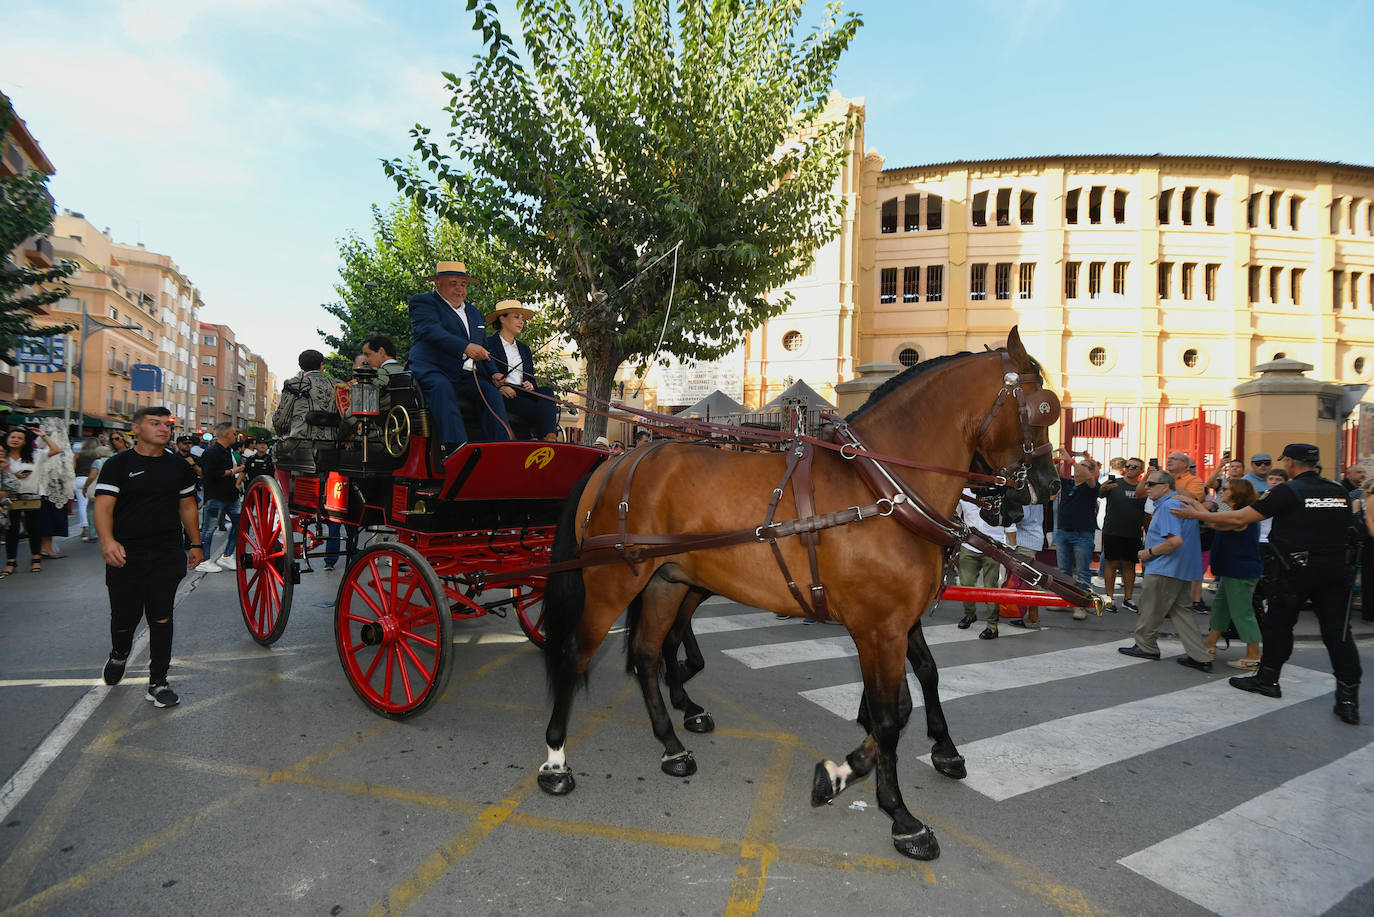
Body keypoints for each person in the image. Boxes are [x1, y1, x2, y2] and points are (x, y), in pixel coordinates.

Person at [1172, 443, 1361, 724]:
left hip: (1295, 570)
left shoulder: (1288, 490)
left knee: (1279, 626)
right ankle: (1348, 701)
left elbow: (1239, 517)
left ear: (1292, 464)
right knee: (1339, 634)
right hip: (1335, 570)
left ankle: (1268, 679)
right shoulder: (1338, 490)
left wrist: (1195, 514)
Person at [93, 406, 202, 708]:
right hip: (126, 552)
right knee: (125, 616)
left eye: (166, 424)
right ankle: (119, 653)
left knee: (161, 616)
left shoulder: (179, 466)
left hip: (166, 552)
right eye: (154, 424)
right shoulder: (117, 464)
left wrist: (196, 543)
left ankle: (158, 682)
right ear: (136, 429)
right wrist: (108, 541)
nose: (163, 429)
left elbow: (188, 506)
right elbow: (103, 507)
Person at [407, 261, 511, 458]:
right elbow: (430, 331)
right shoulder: (423, 302)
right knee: (442, 387)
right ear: (437, 283)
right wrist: (465, 347)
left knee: (491, 394)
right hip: (432, 368)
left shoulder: (473, 312)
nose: (459, 289)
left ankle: (501, 452)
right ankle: (457, 453)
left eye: (463, 284)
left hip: (464, 377)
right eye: (453, 283)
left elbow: (484, 349)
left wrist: (494, 372)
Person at [1119, 471, 1211, 670]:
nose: (1147, 487)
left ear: (1166, 487)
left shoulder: (1169, 505)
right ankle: (1200, 657)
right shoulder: (1179, 503)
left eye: (1152, 484)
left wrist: (1149, 552)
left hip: (1165, 568)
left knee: (1150, 608)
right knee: (1182, 611)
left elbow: (1174, 541)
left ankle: (1146, 646)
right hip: (1182, 568)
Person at [1198, 479, 1264, 669]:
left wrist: (1193, 508)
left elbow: (1215, 523)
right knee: (1220, 608)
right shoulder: (1232, 512)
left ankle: (1254, 655)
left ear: (1237, 493)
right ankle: (1210, 644)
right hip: (1230, 571)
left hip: (1241, 572)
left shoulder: (1241, 516)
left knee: (1242, 613)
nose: (1221, 491)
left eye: (1225, 489)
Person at [486, 300, 560, 441]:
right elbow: (483, 373)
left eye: (522, 318)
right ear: (502, 318)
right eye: (516, 317)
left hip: (524, 392)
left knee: (547, 392)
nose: (521, 322)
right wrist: (500, 389)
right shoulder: (489, 344)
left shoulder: (524, 349)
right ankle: (544, 437)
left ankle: (550, 437)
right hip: (506, 394)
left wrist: (531, 384)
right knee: (535, 408)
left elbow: (530, 377)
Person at [955, 489, 1016, 639]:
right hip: (969, 545)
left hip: (993, 547)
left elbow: (1010, 523)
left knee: (991, 587)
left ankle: (992, 626)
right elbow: (953, 512)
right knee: (966, 584)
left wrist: (1012, 550)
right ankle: (970, 614)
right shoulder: (964, 491)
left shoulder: (1000, 492)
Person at [2, 427, 54, 575]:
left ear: (25, 442)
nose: (15, 440)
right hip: (9, 497)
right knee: (11, 530)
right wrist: (11, 474)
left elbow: (55, 450)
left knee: (34, 529)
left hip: (31, 496)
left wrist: (43, 435)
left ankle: (36, 558)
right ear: (7, 439)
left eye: (19, 438)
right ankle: (11, 561)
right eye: (13, 437)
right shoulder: (3, 456)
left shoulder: (35, 455)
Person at [1054, 453, 1099, 621]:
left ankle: (1081, 605)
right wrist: (1054, 460)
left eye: (1085, 466)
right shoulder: (1068, 483)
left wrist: (1070, 460)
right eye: (1079, 465)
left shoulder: (1092, 486)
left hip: (1082, 534)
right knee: (1064, 571)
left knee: (1082, 572)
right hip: (1063, 532)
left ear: (1092, 471)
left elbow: (1089, 477)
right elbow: (1053, 475)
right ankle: (1065, 601)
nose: (1079, 468)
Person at [1099, 457, 1147, 613]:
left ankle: (1128, 599)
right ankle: (1109, 598)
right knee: (1111, 563)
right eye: (1129, 465)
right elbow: (1098, 494)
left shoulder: (1144, 487)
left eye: (1135, 466)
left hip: (1133, 533)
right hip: (1113, 530)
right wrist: (1103, 489)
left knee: (1130, 565)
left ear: (1142, 471)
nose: (1131, 468)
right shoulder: (1115, 484)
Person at [196, 422, 245, 573]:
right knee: (209, 528)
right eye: (234, 433)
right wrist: (233, 471)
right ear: (225, 434)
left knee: (241, 524)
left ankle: (227, 555)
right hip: (215, 496)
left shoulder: (227, 451)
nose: (235, 436)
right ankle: (204, 560)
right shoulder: (212, 452)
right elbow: (211, 473)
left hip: (231, 495)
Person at [271, 350, 340, 454]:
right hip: (332, 445)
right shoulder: (337, 385)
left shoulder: (295, 384)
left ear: (300, 366)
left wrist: (282, 433)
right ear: (321, 365)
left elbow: (281, 419)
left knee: (277, 455)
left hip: (300, 445)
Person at [73, 438, 101, 539]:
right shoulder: (97, 456)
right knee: (94, 506)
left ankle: (85, 527)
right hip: (92, 480)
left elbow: (73, 468)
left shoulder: (78, 454)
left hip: (79, 479)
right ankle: (94, 527)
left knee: (82, 505)